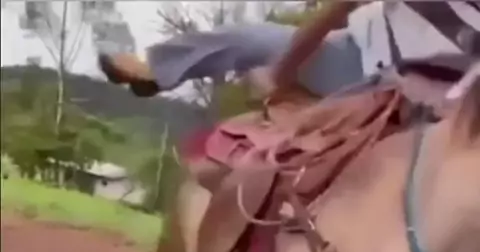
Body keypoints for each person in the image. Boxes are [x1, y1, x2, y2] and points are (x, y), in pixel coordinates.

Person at [99, 1, 480, 102]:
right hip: (355, 56)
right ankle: (159, 69)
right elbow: (341, 7)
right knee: (247, 38)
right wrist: (281, 72)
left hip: (425, 103)